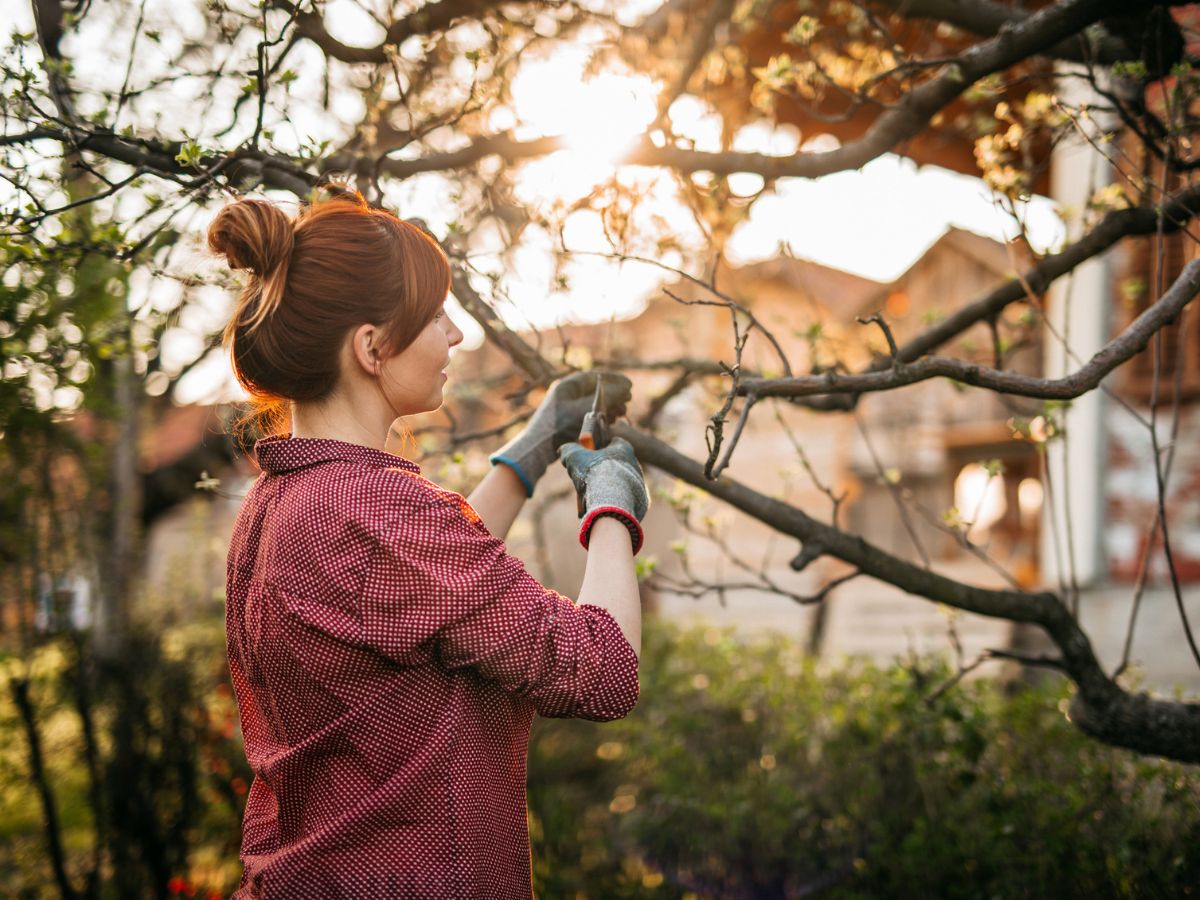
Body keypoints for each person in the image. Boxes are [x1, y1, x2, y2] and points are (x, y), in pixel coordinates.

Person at [209, 188, 650, 899]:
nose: (456, 335)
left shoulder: (280, 502)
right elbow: (602, 671)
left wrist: (530, 453)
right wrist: (611, 506)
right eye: (435, 316)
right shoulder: (378, 511)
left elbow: (422, 594)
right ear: (372, 347)